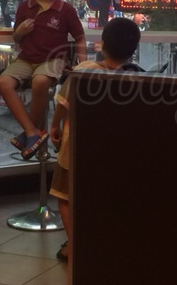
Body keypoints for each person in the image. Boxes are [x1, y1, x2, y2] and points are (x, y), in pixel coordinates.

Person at [49, 17, 141, 262]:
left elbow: (63, 103)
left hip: (75, 149)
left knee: (64, 196)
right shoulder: (133, 78)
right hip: (109, 153)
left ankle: (74, 245)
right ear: (133, 50)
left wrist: (55, 126)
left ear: (102, 43)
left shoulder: (84, 71)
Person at [0, 0, 86, 159]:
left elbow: (80, 37)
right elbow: (16, 38)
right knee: (3, 82)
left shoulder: (66, 10)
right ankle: (32, 131)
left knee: (40, 81)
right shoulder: (24, 7)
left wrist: (83, 64)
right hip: (26, 59)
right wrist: (21, 31)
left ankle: (30, 133)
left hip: (54, 60)